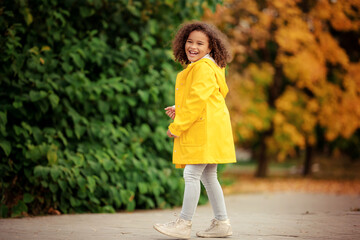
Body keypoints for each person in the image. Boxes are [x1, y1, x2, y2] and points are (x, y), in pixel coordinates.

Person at [153, 21, 236, 239]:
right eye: (190, 41)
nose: (193, 46)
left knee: (191, 174)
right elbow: (201, 99)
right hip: (211, 128)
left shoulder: (203, 68)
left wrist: (176, 127)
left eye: (200, 43)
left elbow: (197, 100)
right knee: (209, 176)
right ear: (183, 43)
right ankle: (221, 222)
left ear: (210, 48)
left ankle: (183, 223)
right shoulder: (208, 67)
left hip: (206, 131)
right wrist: (179, 108)